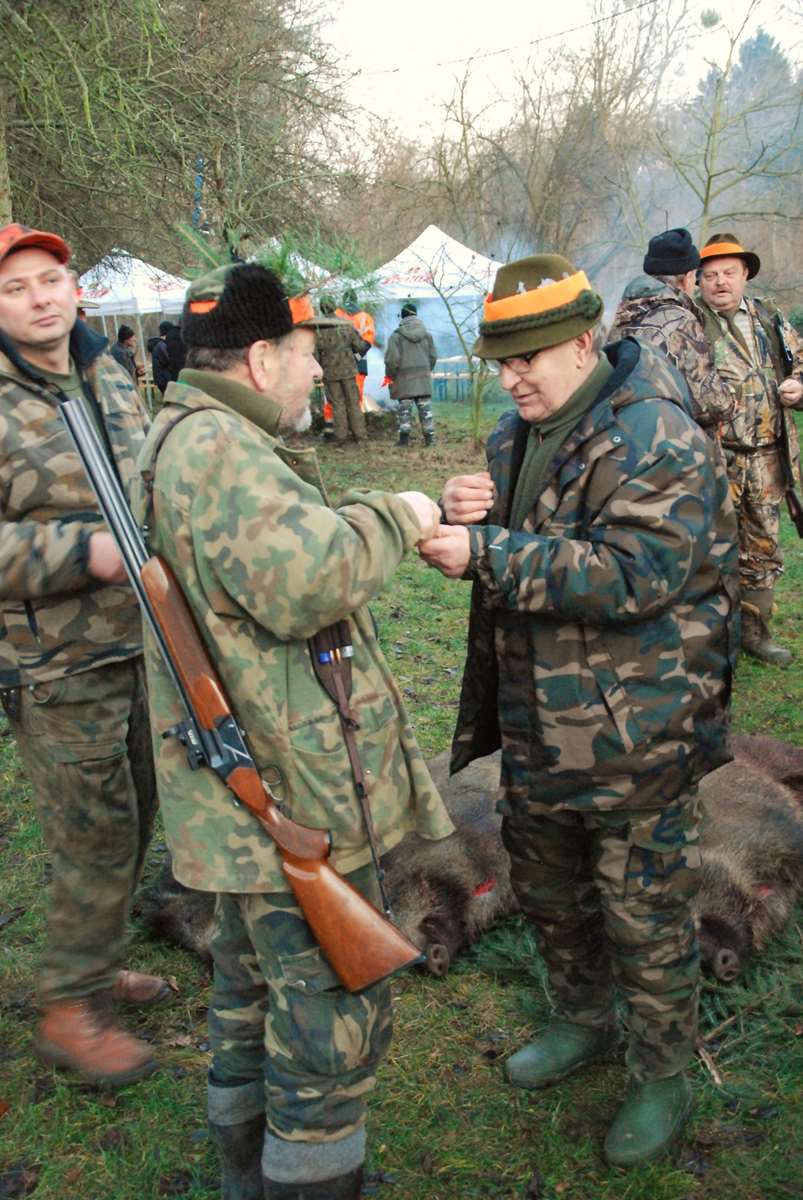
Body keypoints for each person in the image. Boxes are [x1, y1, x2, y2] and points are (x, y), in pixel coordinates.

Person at [130, 262, 453, 1200]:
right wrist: (401, 512)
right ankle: (310, 1180)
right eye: (309, 354)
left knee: (246, 987)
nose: (319, 371)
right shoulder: (220, 449)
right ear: (263, 357)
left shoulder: (186, 434)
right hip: (288, 786)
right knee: (329, 1013)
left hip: (244, 796)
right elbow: (309, 580)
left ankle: (246, 1170)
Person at [419, 254, 738, 1168]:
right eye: (502, 363)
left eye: (529, 359)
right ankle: (580, 1019)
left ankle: (662, 1071)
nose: (512, 378)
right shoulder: (516, 434)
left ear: (583, 343)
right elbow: (526, 538)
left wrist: (488, 551)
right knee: (551, 892)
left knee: (643, 910)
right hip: (540, 725)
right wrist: (463, 509)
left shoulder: (655, 433)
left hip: (638, 728)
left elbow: (637, 574)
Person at [0, 222, 167, 1089]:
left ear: (75, 288)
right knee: (93, 834)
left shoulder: (108, 369)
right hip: (58, 662)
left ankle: (97, 966)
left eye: (50, 279)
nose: (39, 298)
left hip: (146, 639)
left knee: (137, 810)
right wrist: (79, 552)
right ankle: (69, 1009)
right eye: (15, 287)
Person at [697, 231, 803, 666]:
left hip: (766, 458)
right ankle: (706, 638)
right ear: (698, 281)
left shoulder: (769, 316)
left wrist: (799, 386)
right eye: (710, 275)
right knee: (705, 546)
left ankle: (754, 633)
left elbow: (800, 361)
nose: (720, 282)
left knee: (762, 546)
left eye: (729, 273)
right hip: (711, 459)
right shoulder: (688, 323)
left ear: (744, 275)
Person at [608, 227, 733, 432]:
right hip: (670, 439)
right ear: (687, 277)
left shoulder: (621, 317)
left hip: (624, 436)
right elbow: (713, 404)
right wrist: (730, 398)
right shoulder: (681, 321)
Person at [315, 296, 370, 444]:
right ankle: (360, 436)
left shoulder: (318, 329)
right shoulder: (346, 324)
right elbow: (360, 346)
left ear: (322, 308)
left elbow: (315, 355)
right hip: (349, 371)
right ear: (334, 306)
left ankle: (341, 437)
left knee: (337, 404)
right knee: (353, 402)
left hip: (330, 373)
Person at [384, 302, 437, 446]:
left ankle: (404, 440)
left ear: (402, 317)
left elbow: (391, 361)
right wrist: (426, 371)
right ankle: (430, 440)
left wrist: (390, 377)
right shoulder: (427, 335)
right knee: (426, 411)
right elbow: (433, 357)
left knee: (405, 412)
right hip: (423, 379)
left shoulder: (396, 337)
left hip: (403, 381)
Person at [336, 288, 376, 409]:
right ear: (356, 300)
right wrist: (356, 357)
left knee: (338, 397)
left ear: (343, 300)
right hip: (358, 362)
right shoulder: (365, 317)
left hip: (338, 362)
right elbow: (368, 342)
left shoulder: (335, 315)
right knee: (356, 397)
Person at [149, 324, 173, 396]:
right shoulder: (162, 345)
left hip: (160, 379)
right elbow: (167, 360)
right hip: (164, 378)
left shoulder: (158, 344)